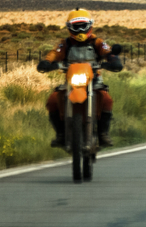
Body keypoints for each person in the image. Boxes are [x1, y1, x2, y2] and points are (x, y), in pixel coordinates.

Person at [38, 10, 124, 147]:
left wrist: (114, 60)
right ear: (69, 27)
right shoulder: (65, 44)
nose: (80, 30)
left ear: (89, 25)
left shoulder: (97, 42)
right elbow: (55, 53)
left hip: (94, 80)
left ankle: (103, 134)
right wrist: (47, 62)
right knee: (53, 100)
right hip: (71, 81)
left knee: (106, 100)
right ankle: (60, 134)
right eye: (76, 27)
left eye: (83, 26)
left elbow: (108, 51)